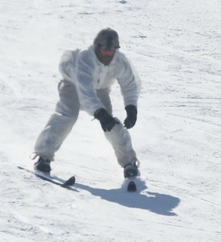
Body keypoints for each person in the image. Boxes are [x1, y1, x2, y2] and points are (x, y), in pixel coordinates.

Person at [33, 28, 141, 178]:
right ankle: (43, 156)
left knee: (112, 125)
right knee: (67, 116)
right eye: (104, 51)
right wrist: (100, 113)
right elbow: (85, 92)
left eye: (111, 52)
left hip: (101, 89)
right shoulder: (85, 59)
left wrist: (131, 107)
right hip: (73, 84)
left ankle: (129, 162)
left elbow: (130, 84)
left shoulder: (120, 62)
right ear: (97, 47)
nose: (108, 55)